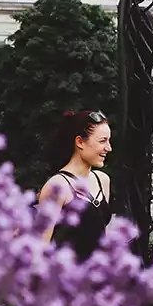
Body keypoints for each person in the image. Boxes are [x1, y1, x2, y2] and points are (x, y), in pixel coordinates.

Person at [38, 110, 113, 257]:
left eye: (109, 141)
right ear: (80, 142)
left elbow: (104, 238)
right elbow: (40, 250)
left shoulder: (102, 180)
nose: (109, 148)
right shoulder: (58, 186)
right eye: (102, 141)